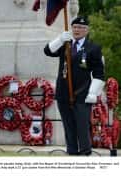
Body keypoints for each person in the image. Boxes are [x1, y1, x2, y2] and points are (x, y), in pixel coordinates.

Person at [44, 17, 105, 155]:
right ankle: (71, 153)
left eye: (81, 28)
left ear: (87, 30)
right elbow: (47, 51)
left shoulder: (93, 48)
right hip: (64, 92)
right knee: (68, 126)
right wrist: (60, 39)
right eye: (75, 27)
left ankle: (85, 153)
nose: (77, 30)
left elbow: (99, 74)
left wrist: (93, 93)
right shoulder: (66, 45)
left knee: (82, 126)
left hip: (82, 93)